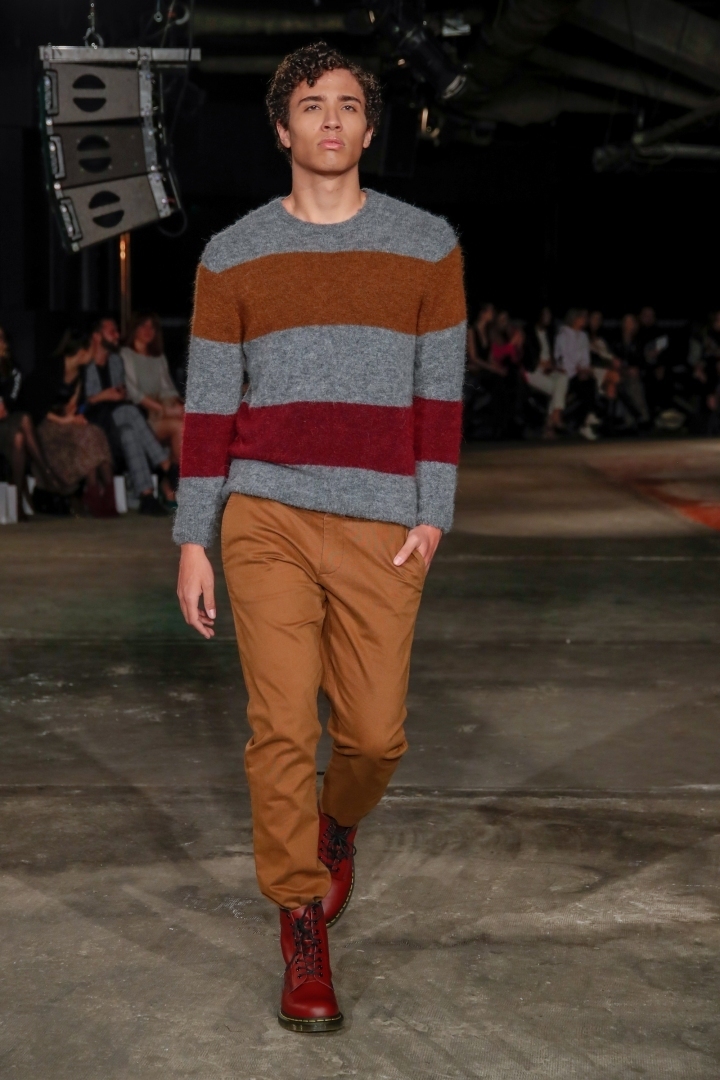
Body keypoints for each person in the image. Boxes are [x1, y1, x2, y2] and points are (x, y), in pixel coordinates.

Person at [174, 42, 466, 1033]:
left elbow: (439, 394)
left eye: (348, 104)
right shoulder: (232, 254)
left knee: (375, 737)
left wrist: (434, 510)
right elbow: (211, 408)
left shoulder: (427, 245)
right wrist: (194, 537)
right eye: (311, 104)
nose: (331, 118)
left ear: (370, 129)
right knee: (282, 727)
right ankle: (301, 920)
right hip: (267, 514)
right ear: (282, 128)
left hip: (384, 518)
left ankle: (336, 822)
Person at [85, 317, 175, 514]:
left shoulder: (116, 361)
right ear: (97, 336)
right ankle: (166, 464)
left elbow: (121, 393)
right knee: (129, 411)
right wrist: (103, 396)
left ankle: (147, 496)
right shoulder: (85, 362)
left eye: (117, 331)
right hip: (94, 423)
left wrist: (118, 394)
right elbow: (80, 404)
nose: (117, 335)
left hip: (117, 422)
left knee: (129, 433)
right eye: (112, 332)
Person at [35, 332, 116, 516]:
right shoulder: (50, 368)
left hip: (66, 422)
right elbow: (37, 406)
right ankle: (93, 494)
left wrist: (75, 416)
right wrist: (65, 420)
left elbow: (75, 405)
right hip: (46, 424)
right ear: (81, 351)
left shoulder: (79, 373)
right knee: (87, 435)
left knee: (95, 432)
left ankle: (107, 494)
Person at [0, 325, 57, 518]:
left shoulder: (12, 369)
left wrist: (5, 406)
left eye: (1, 338)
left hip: (6, 424)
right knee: (21, 429)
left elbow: (11, 401)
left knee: (19, 435)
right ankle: (47, 473)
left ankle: (17, 502)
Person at [120, 313, 184, 465]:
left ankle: (176, 470)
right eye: (143, 326)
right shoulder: (125, 355)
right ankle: (175, 473)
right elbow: (133, 392)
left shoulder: (158, 357)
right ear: (135, 328)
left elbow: (167, 388)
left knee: (192, 421)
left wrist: (178, 406)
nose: (148, 331)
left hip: (160, 409)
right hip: (143, 415)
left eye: (152, 327)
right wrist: (164, 409)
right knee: (180, 427)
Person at [554, 309, 599, 440]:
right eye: (582, 317)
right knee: (585, 386)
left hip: (580, 373)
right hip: (567, 374)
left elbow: (585, 358)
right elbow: (562, 359)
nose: (584, 320)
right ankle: (585, 420)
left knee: (590, 381)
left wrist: (584, 369)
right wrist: (577, 370)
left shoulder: (583, 336)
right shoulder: (563, 335)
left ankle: (585, 422)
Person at [523, 307, 568, 437]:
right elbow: (528, 358)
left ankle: (553, 417)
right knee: (557, 388)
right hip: (533, 371)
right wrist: (542, 364)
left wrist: (554, 366)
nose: (548, 317)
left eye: (549, 314)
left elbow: (553, 356)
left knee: (563, 377)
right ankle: (552, 420)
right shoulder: (529, 333)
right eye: (545, 314)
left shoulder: (550, 334)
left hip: (548, 370)